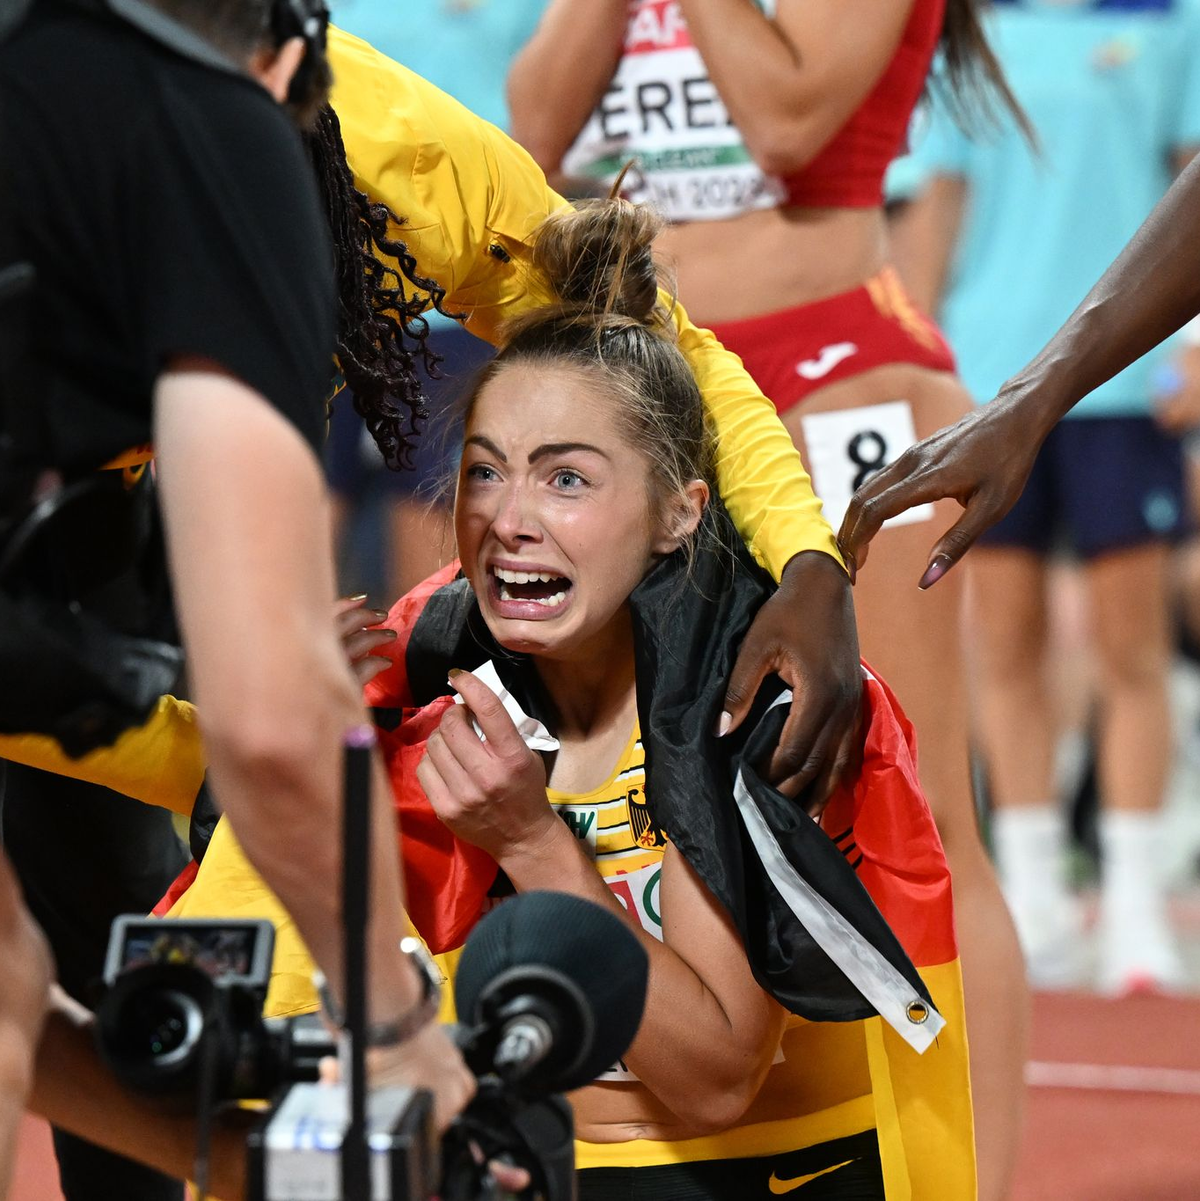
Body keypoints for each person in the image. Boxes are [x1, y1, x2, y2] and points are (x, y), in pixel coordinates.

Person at [28, 197, 974, 1201]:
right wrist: (313, 727)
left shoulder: (746, 701)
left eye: (567, 480)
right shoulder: (437, 657)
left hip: (760, 1179)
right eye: (485, 473)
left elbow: (715, 1076)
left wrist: (532, 841)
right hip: (527, 1169)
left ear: (677, 511)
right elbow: (215, 763)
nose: (509, 520)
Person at [507, 2, 1026, 1195]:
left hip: (840, 370)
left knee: (919, 803)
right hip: (652, 382)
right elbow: (537, 123)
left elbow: (790, 121)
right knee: (664, 787)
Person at [0, 0, 472, 1192]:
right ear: (286, 58)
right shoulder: (207, 125)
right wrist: (395, 1019)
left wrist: (240, 1167)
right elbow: (269, 715)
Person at [885, 0, 1200, 991]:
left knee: (1130, 647)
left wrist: (1196, 349)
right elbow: (935, 213)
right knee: (1004, 642)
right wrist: (910, 364)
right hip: (988, 381)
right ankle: (1034, 903)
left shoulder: (1171, 18)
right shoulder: (973, 25)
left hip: (1127, 386)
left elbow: (1190, 180)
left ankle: (1139, 910)